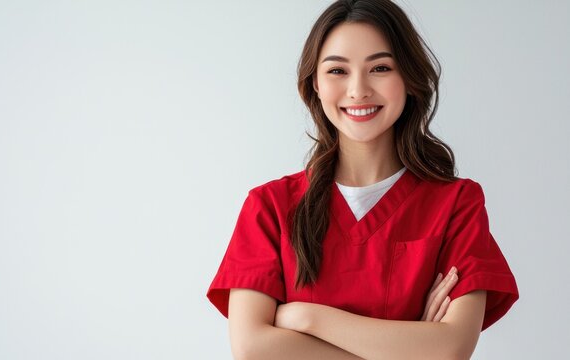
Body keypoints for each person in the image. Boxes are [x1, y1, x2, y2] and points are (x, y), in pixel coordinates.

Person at [206, 0, 519, 359]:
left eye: (380, 68)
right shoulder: (270, 206)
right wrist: (408, 346)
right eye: (338, 71)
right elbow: (252, 348)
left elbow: (450, 350)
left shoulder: (457, 204)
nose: (358, 90)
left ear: (410, 79)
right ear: (315, 85)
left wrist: (306, 317)